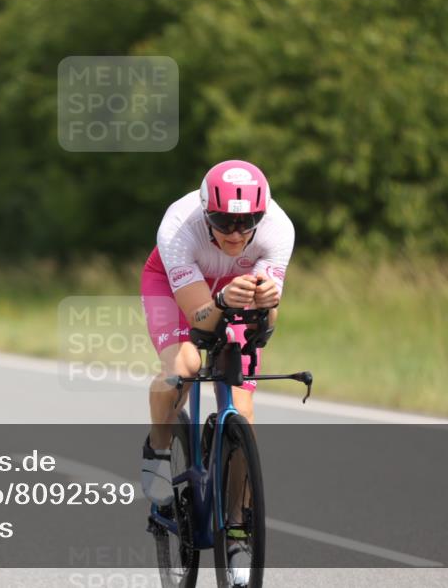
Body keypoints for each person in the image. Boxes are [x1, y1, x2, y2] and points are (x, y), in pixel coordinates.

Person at [139, 160, 294, 584]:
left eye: (248, 223)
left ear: (262, 216)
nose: (236, 233)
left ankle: (237, 530)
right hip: (178, 290)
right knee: (185, 367)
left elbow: (268, 324)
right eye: (224, 220)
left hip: (233, 292)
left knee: (242, 411)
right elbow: (199, 318)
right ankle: (156, 453)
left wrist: (265, 308)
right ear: (207, 211)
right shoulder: (177, 226)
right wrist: (223, 300)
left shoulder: (280, 229)